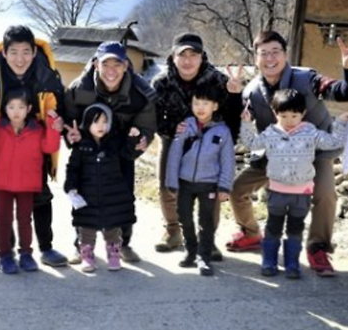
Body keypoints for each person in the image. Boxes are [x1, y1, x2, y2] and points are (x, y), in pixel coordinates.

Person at [227, 30, 348, 277]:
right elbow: (238, 123)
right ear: (255, 58)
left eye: (275, 52)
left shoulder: (307, 78)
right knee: (237, 189)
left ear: (285, 54)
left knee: (325, 195)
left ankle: (318, 248)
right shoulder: (252, 92)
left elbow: (343, 91)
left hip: (314, 152)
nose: (270, 58)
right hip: (275, 155)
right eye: (263, 53)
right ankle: (251, 233)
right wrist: (233, 96)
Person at [0, 25, 68, 267]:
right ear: (4, 52)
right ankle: (6, 252)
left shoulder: (47, 76)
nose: (19, 59)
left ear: (34, 52)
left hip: (34, 145)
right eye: (13, 52)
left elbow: (62, 109)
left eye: (25, 52)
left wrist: (61, 124)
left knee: (41, 196)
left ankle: (46, 248)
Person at [240, 89, 348, 279]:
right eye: (283, 116)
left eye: (294, 115)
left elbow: (333, 142)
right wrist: (246, 123)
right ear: (275, 113)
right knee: (273, 228)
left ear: (303, 113)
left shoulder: (311, 133)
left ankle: (292, 265)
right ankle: (269, 262)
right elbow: (251, 143)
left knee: (295, 230)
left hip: (301, 194)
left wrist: (341, 123)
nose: (289, 120)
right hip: (276, 192)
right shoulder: (270, 133)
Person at [152, 33, 242, 260]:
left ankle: (207, 238)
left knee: (208, 190)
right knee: (167, 186)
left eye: (194, 55)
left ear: (202, 57)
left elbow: (231, 118)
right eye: (182, 55)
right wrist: (175, 129)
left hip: (208, 139)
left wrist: (235, 95)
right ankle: (173, 231)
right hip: (173, 138)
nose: (188, 60)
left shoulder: (218, 80)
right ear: (173, 57)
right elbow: (154, 118)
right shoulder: (161, 82)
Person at [65, 41, 156, 263]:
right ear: (96, 65)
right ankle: (81, 245)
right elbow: (69, 119)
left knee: (122, 198)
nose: (111, 71)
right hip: (88, 149)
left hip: (121, 150)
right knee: (84, 198)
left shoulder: (140, 93)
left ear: (125, 66)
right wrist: (71, 136)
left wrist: (141, 141)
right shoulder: (80, 88)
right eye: (106, 64)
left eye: (117, 64)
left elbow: (146, 126)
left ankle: (123, 244)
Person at [0, 89, 61, 274]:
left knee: (25, 220)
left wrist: (53, 125)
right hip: (3, 183)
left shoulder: (37, 129)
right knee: (4, 221)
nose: (16, 111)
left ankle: (26, 254)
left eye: (21, 107)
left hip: (27, 183)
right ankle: (4, 256)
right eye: (11, 107)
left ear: (29, 108)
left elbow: (50, 147)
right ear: (5, 109)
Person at [164, 85, 235, 276]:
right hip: (185, 182)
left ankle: (204, 257)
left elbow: (227, 160)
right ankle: (190, 251)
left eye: (205, 103)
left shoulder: (222, 131)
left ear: (215, 106)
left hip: (209, 184)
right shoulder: (185, 127)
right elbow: (174, 155)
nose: (200, 107)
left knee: (206, 221)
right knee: (184, 218)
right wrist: (172, 181)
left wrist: (225, 186)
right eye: (196, 103)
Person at [64, 103, 141, 273]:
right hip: (87, 194)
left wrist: (132, 139)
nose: (101, 126)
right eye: (96, 122)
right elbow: (73, 168)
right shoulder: (81, 145)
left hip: (111, 194)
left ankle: (113, 254)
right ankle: (87, 256)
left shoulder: (114, 143)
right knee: (87, 228)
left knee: (112, 227)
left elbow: (128, 154)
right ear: (87, 124)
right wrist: (71, 186)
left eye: (105, 122)